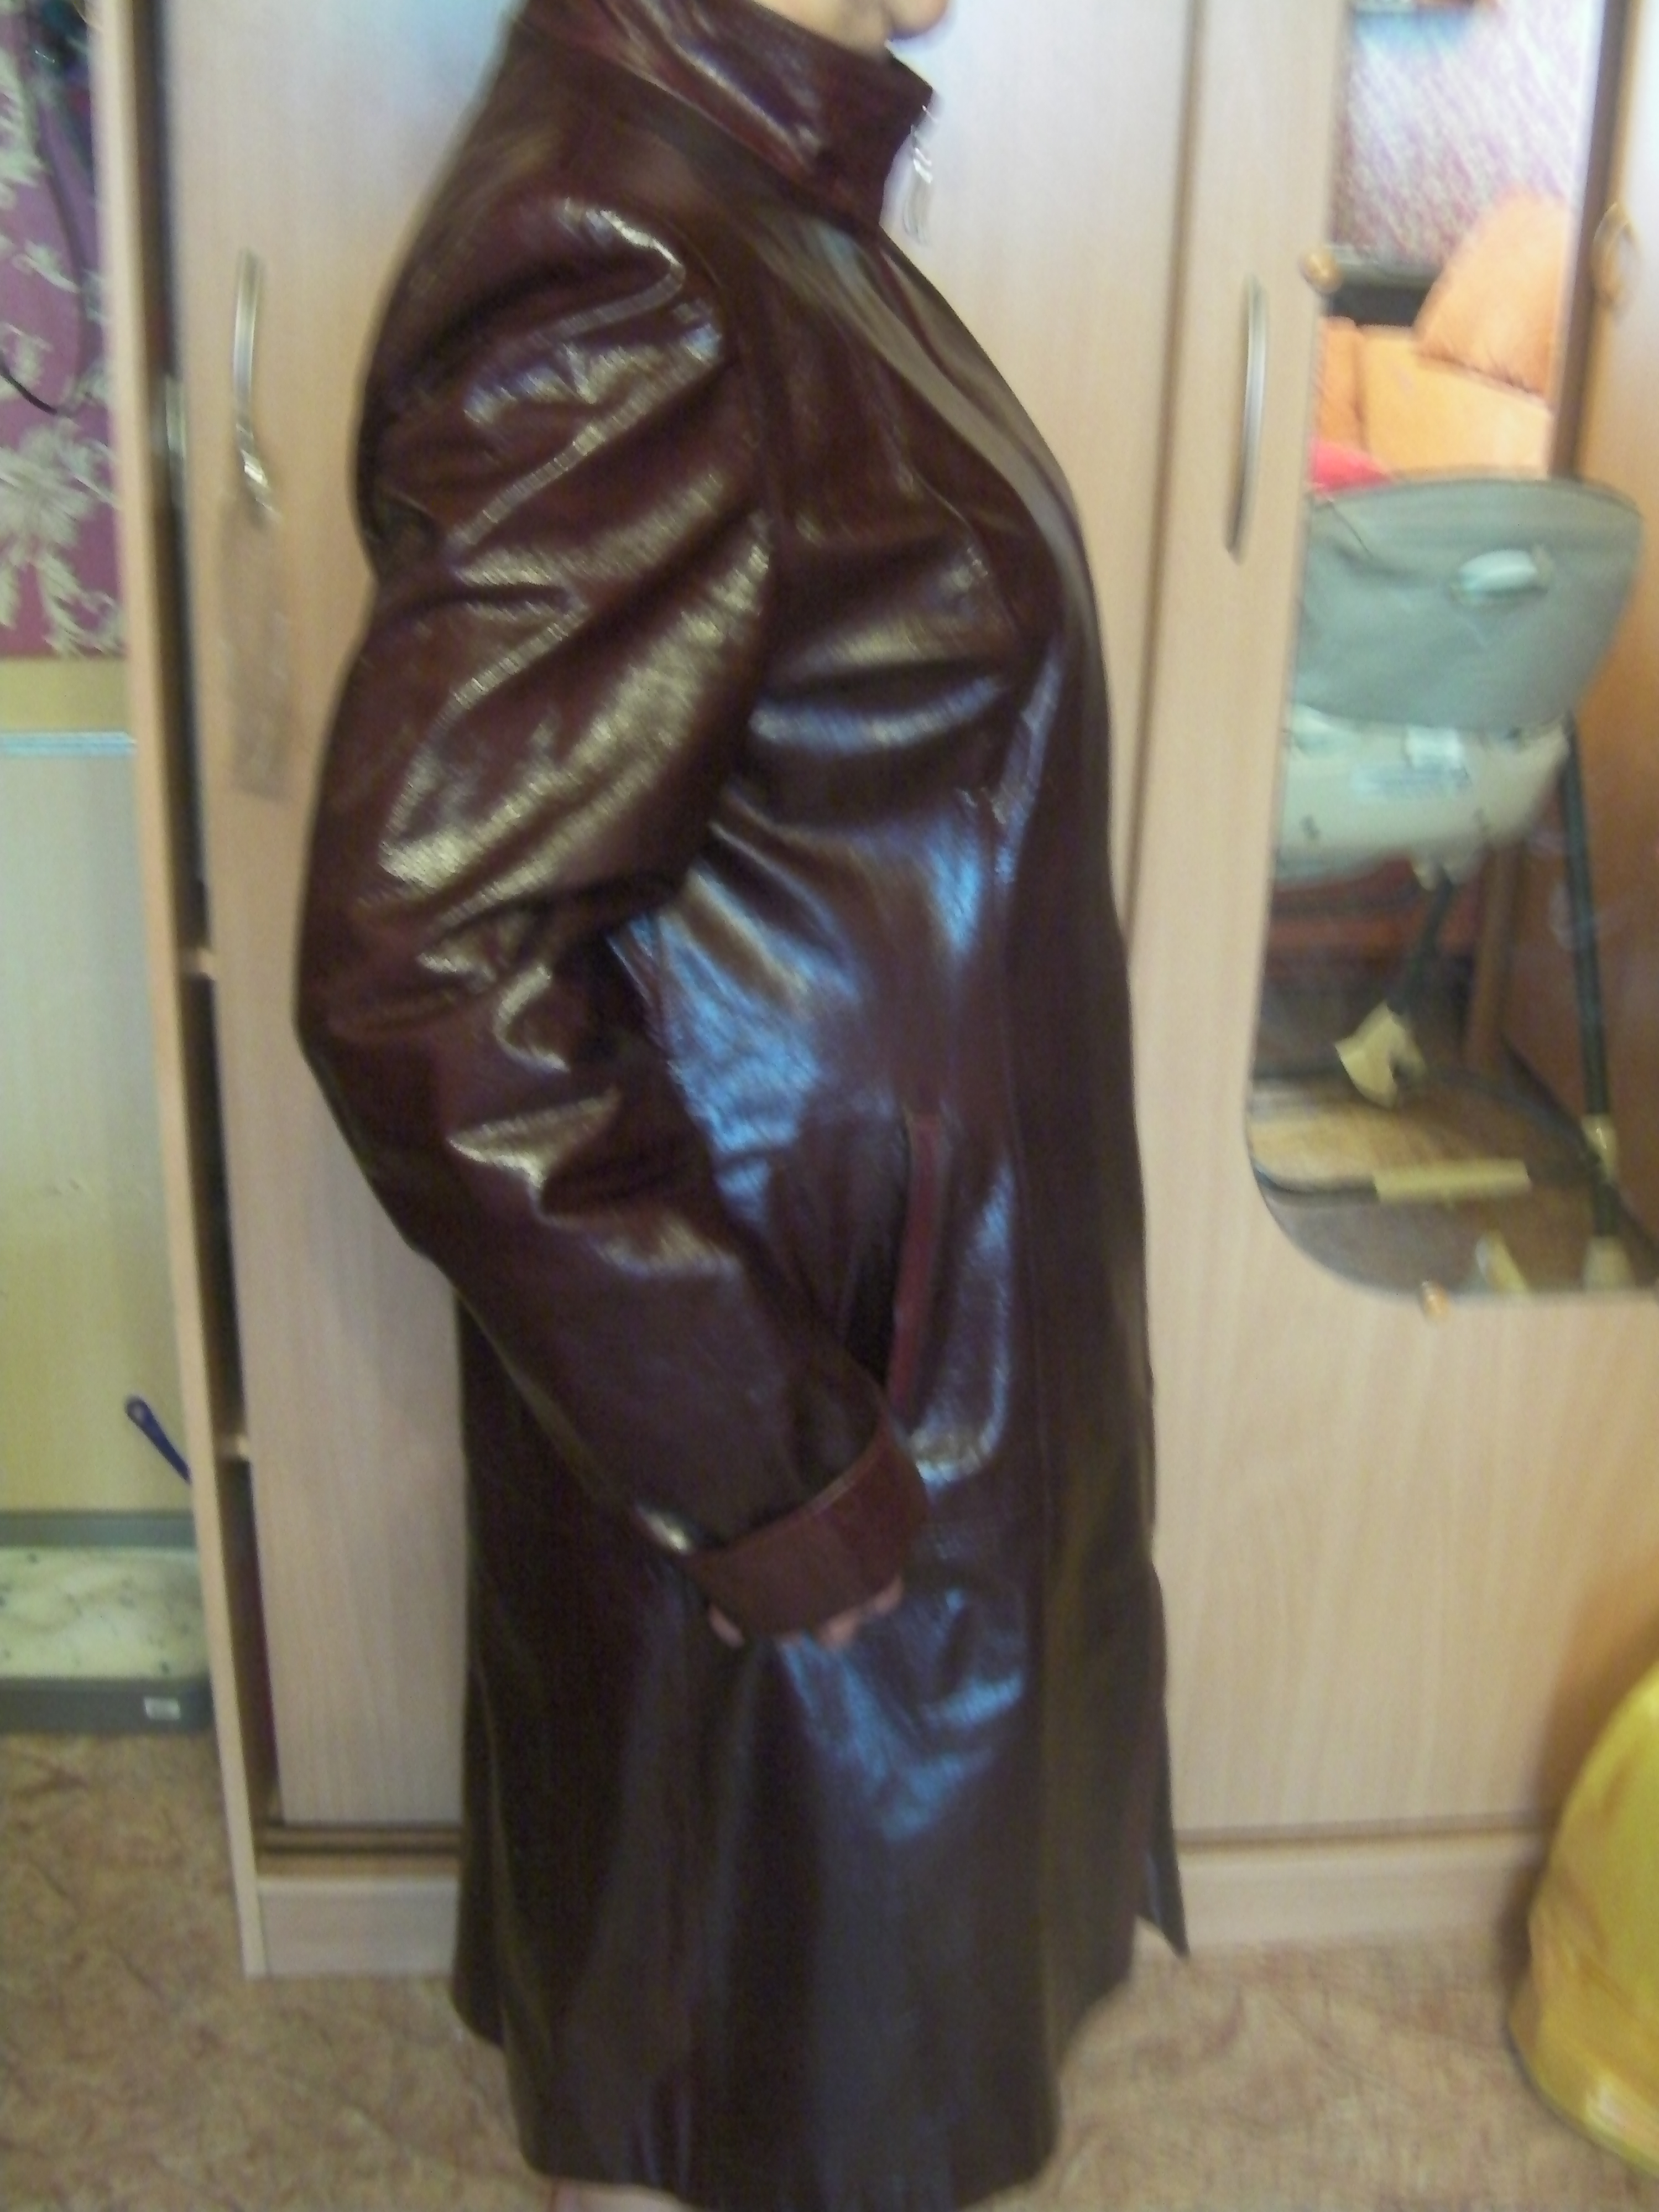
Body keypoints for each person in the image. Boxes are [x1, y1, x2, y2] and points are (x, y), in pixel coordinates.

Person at [295, 0, 1185, 2206]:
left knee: (830, 2043)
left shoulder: (755, 204)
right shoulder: (635, 265)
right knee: (782, 2066)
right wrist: (772, 1462)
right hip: (819, 1397)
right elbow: (426, 976)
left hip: (889, 1334)